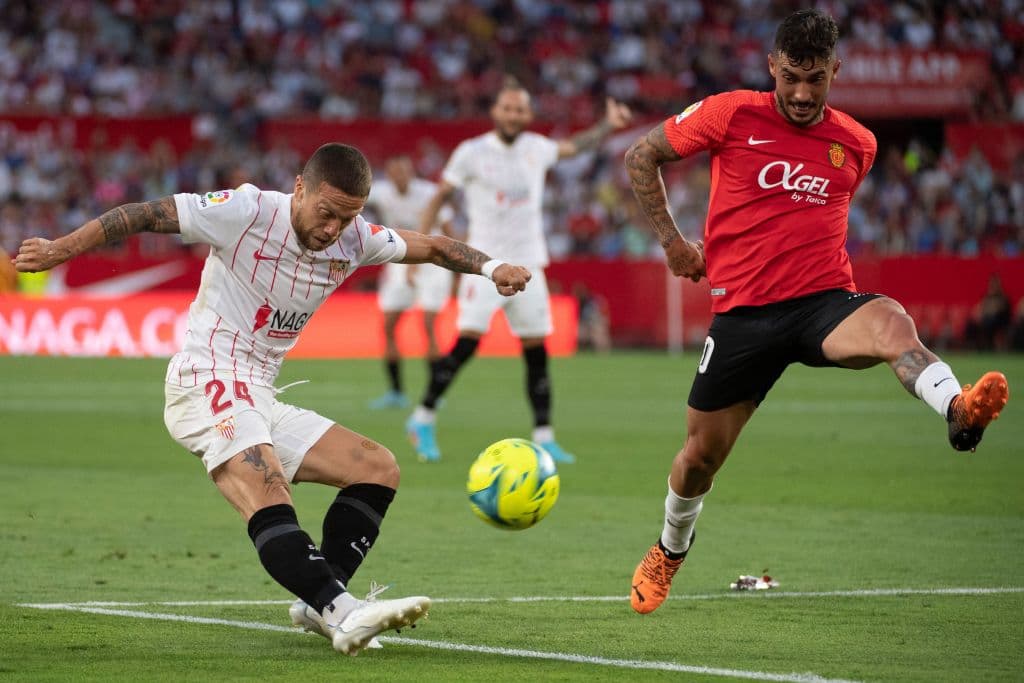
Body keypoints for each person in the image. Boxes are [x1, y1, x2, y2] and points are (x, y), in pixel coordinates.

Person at [13, 142, 532, 653]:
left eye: (345, 219)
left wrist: (493, 268)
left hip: (260, 391)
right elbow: (146, 213)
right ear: (299, 188)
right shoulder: (247, 210)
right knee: (269, 487)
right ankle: (342, 611)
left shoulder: (355, 239)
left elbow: (435, 247)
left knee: (377, 468)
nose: (332, 230)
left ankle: (318, 602)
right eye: (326, 213)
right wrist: (61, 249)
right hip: (206, 377)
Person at [622, 9, 1010, 615]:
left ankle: (957, 409)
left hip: (823, 303)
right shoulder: (730, 113)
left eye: (816, 81)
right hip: (744, 315)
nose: (802, 95)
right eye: (791, 79)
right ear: (772, 67)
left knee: (891, 324)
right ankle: (668, 552)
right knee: (699, 458)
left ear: (836, 71)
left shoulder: (858, 143)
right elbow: (640, 157)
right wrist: (674, 243)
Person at [405, 78, 632, 464]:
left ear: (528, 115)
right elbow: (439, 196)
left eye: (520, 109)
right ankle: (422, 418)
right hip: (484, 266)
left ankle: (544, 435)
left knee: (536, 351)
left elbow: (575, 146)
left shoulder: (537, 148)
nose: (513, 115)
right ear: (496, 111)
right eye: (507, 108)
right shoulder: (471, 152)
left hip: (530, 266)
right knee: (466, 345)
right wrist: (420, 247)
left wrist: (608, 125)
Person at [364, 155, 456, 409]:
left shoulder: (429, 193)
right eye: (394, 173)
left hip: (432, 265)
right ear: (389, 175)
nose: (399, 177)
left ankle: (435, 395)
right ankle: (396, 393)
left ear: (411, 172)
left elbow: (448, 229)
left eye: (403, 172)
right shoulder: (382, 192)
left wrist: (458, 265)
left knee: (428, 325)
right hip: (398, 264)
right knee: (389, 326)